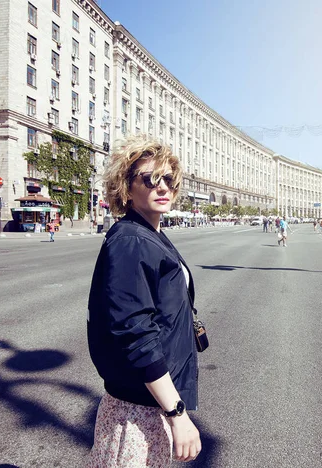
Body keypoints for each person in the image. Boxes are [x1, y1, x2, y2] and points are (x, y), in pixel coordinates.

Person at [87, 136, 202, 467]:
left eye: (168, 179)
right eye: (150, 179)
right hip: (134, 413)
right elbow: (136, 333)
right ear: (127, 187)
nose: (162, 187)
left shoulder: (150, 234)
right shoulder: (132, 241)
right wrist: (177, 414)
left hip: (150, 404)